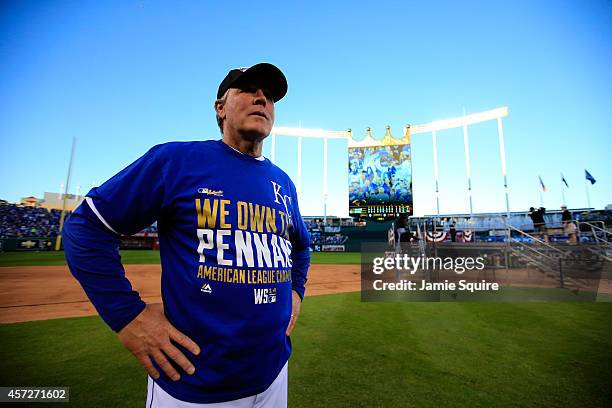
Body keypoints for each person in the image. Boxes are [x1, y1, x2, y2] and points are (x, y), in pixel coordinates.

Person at [62, 63, 311, 407]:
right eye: (248, 90)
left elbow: (301, 247)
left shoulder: (283, 183)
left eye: (269, 96)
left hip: (273, 375)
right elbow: (86, 227)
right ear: (220, 107)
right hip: (194, 384)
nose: (261, 99)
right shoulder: (178, 161)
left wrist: (296, 291)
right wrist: (128, 316)